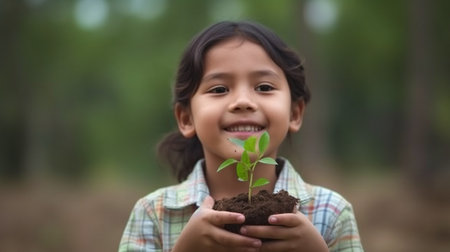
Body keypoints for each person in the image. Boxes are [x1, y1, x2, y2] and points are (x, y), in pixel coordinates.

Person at [119, 20, 363, 252]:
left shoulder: (330, 212)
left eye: (264, 87)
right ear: (186, 118)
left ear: (295, 113)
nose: (243, 102)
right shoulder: (154, 214)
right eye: (219, 89)